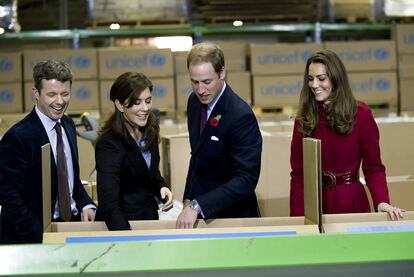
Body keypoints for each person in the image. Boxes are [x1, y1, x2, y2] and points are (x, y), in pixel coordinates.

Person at [289, 50, 404, 220]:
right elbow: (299, 175)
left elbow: (373, 167)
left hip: (352, 203)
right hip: (316, 207)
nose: (314, 85)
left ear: (336, 79)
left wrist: (381, 201)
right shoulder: (303, 120)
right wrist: (298, 219)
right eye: (310, 79)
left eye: (321, 78)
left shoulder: (361, 115)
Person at [0, 60, 96, 244]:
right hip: (32, 236)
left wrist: (86, 204)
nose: (60, 102)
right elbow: (8, 196)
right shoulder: (17, 137)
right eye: (52, 94)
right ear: (36, 93)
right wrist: (40, 238)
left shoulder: (67, 125)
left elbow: (69, 178)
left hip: (69, 228)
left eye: (65, 94)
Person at [176, 42, 262, 229]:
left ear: (222, 73)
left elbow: (246, 179)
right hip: (200, 215)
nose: (200, 90)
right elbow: (196, 157)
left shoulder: (240, 115)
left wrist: (198, 206)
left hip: (234, 217)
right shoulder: (194, 102)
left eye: (207, 82)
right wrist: (188, 199)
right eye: (194, 82)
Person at [95, 72, 173, 230]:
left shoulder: (149, 131)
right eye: (137, 103)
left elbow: (148, 172)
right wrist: (127, 237)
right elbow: (109, 202)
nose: (145, 108)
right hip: (123, 226)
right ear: (119, 105)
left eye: (148, 101)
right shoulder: (109, 145)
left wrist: (161, 187)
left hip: (149, 221)